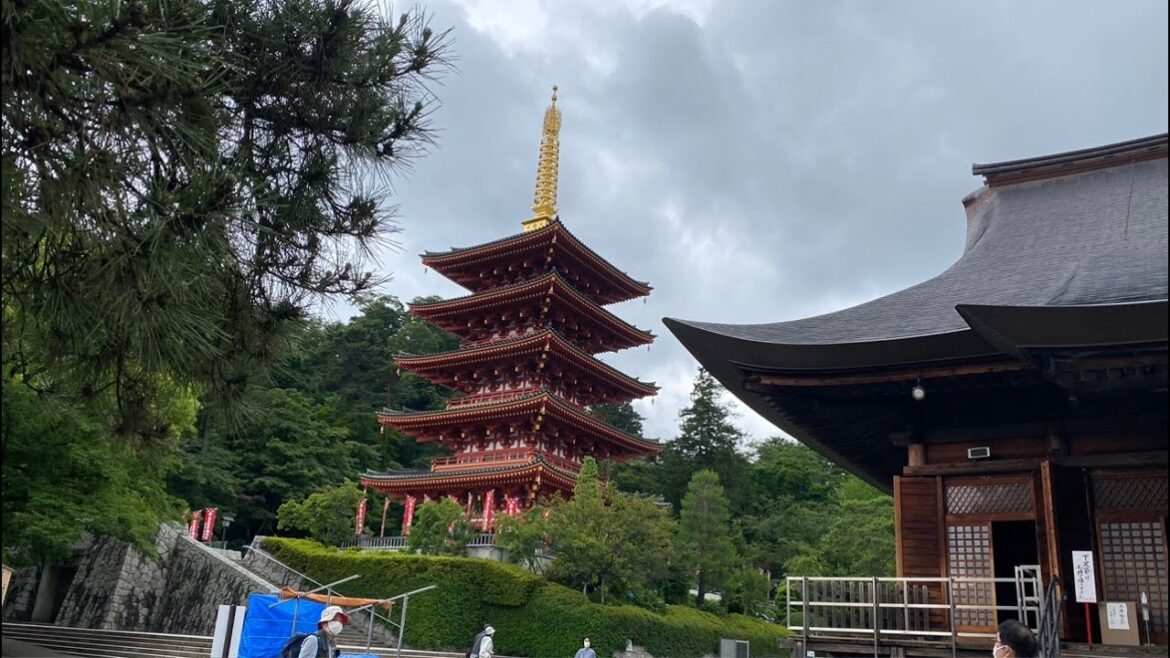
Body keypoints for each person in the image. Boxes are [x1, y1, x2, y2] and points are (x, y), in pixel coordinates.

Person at [279, 605, 350, 658]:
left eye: (340, 621)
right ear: (324, 623)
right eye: (335, 620)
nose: (339, 623)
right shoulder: (313, 640)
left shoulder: (331, 642)